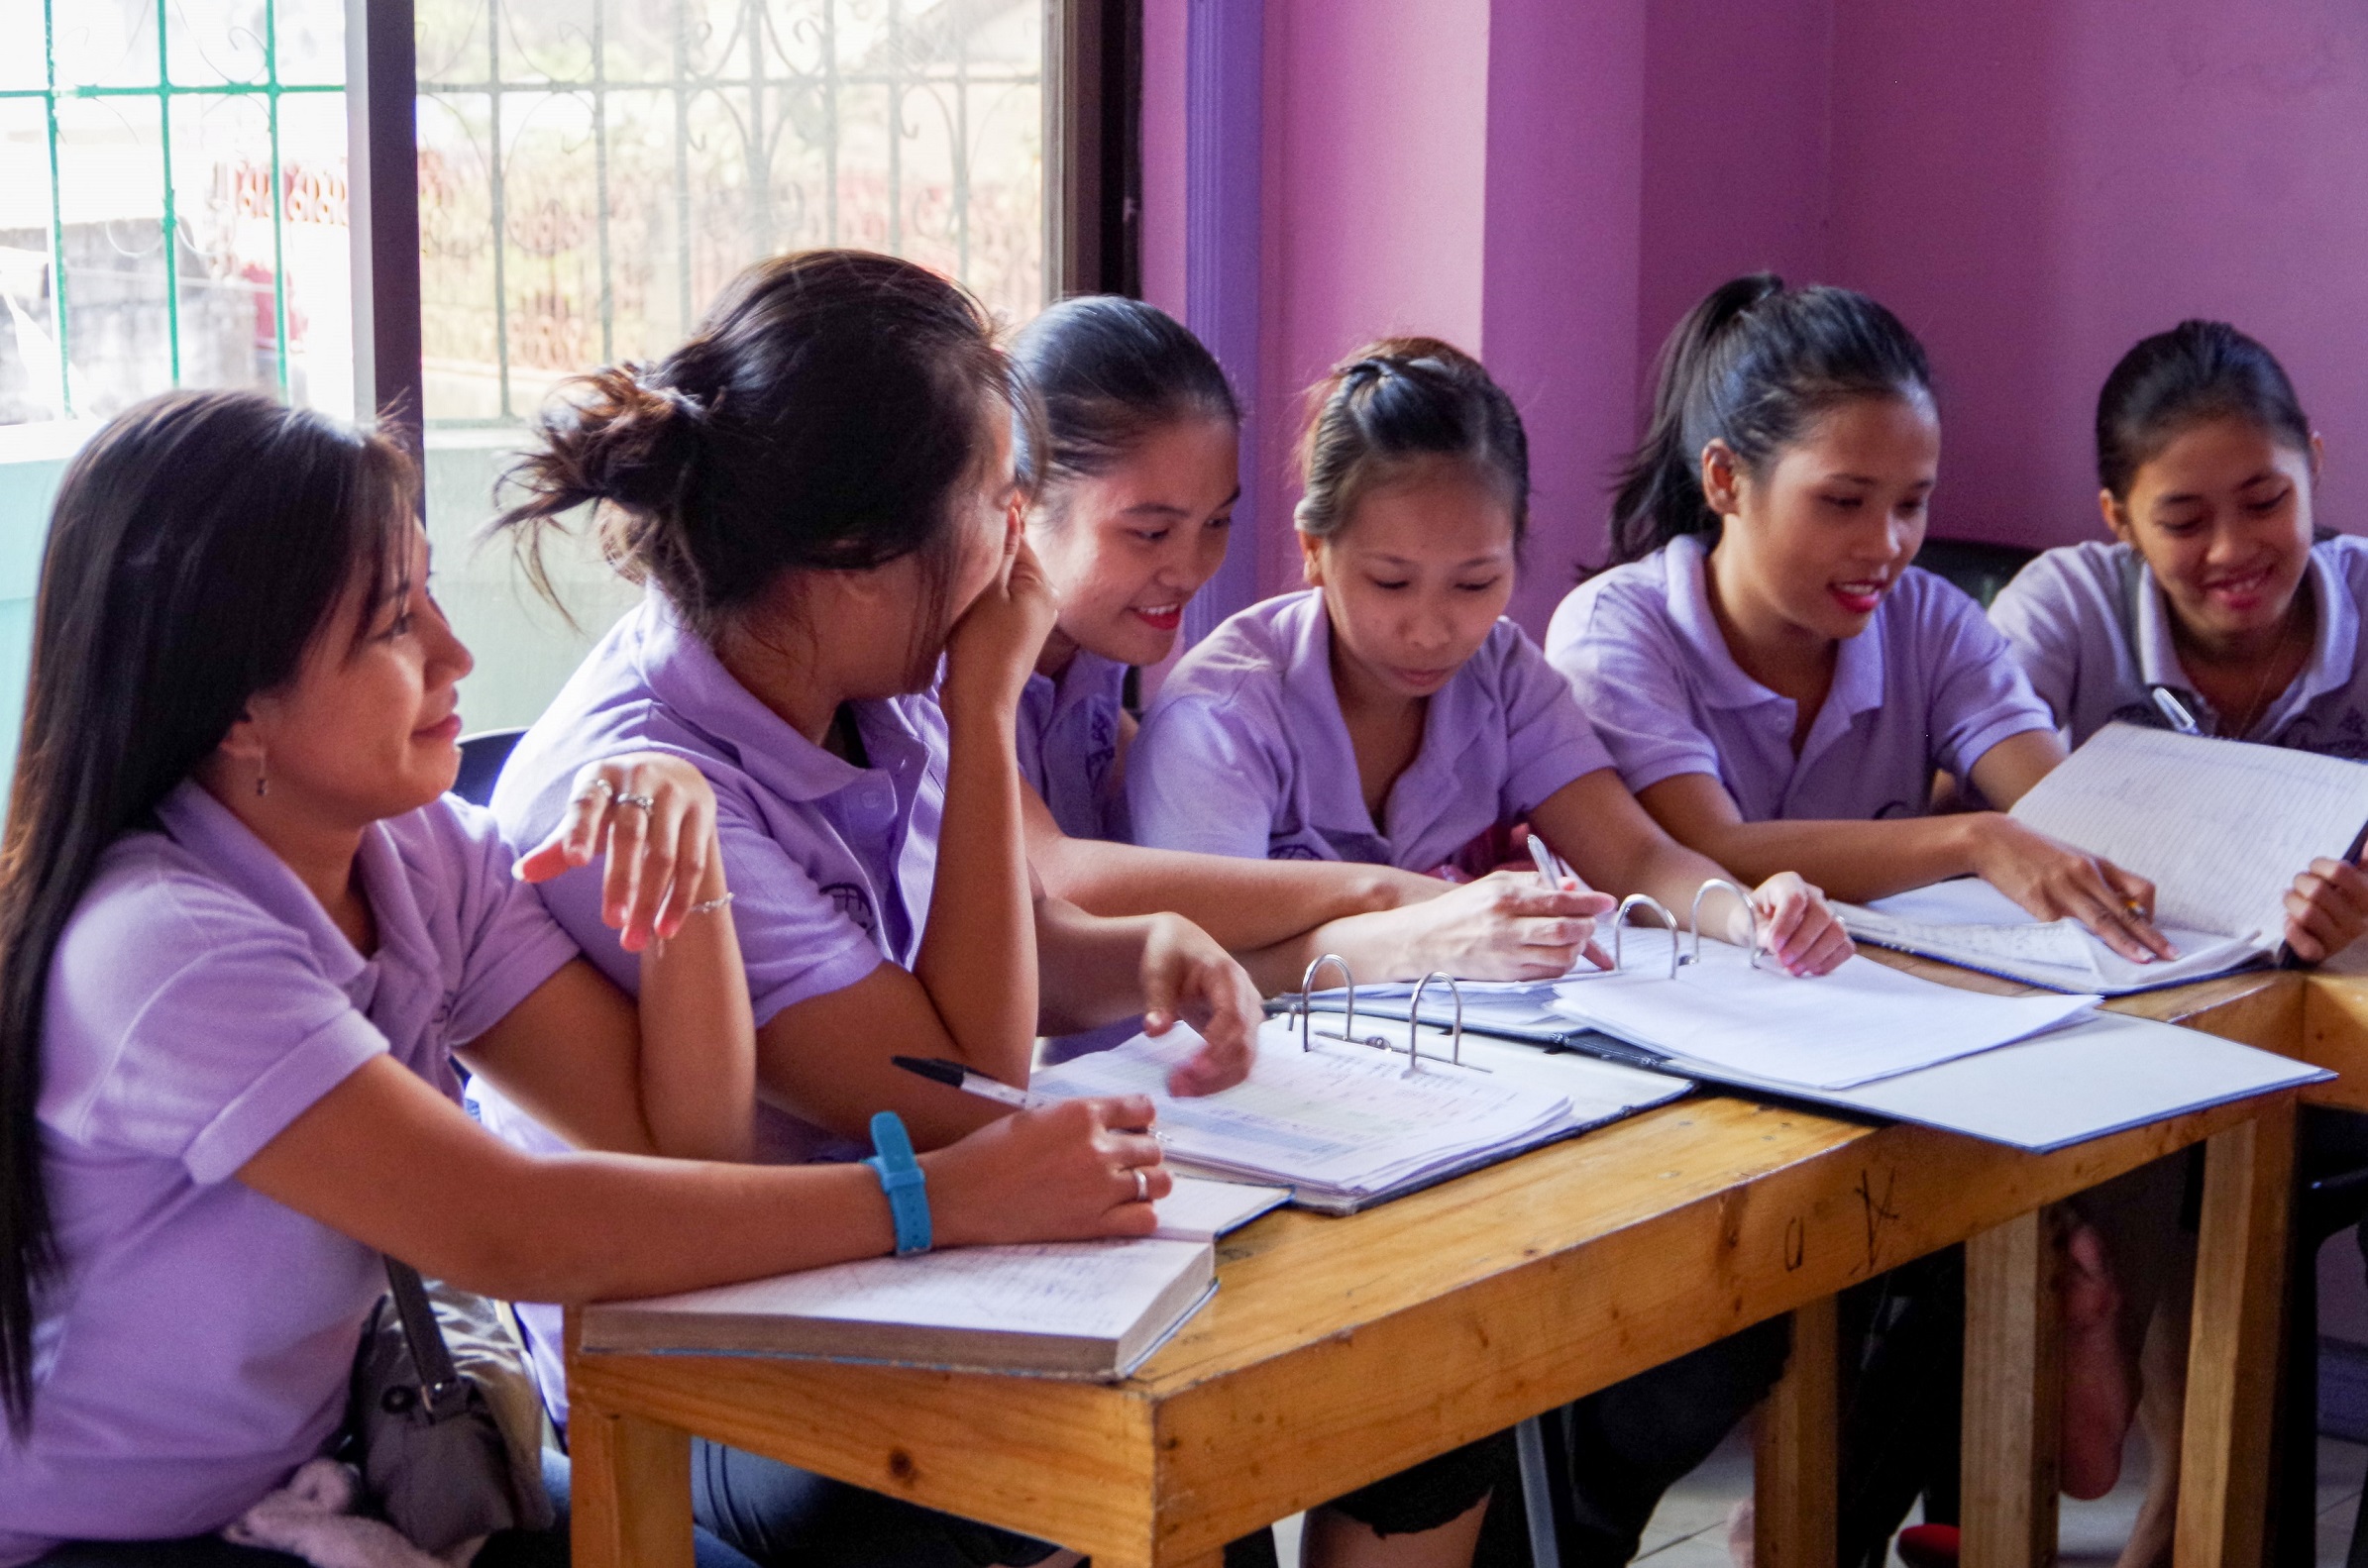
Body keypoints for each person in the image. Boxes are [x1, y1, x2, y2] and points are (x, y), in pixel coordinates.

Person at [0, 390, 1169, 1566]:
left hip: (319, 1474)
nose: (454, 652)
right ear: (238, 708)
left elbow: (675, 1153)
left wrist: (689, 870)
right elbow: (513, 1230)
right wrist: (944, 1195)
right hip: (107, 1538)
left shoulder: (420, 856)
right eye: (394, 624)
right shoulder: (163, 945)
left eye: (429, 593)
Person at [1128, 335, 1852, 1568]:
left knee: (1696, 1332)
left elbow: (1632, 854)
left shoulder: (1505, 676)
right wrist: (1415, 940)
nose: (1430, 627)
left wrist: (1753, 906)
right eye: (1387, 580)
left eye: (1474, 582)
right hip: (1244, 1153)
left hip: (1460, 1132)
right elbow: (1199, 987)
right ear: (1311, 553)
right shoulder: (1222, 709)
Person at [1989, 319, 2368, 1568]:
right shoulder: (2062, 608)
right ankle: (2122, 1442)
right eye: (2180, 518)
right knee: (2137, 1122)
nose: (2230, 553)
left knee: (2216, 1137)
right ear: (2113, 516)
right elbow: (1980, 806)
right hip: (2131, 1027)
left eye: (2265, 500)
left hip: (2330, 1047)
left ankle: (2171, 1507)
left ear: (2314, 464)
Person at [1009, 295, 1610, 996]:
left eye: (1217, 521)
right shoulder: (961, 667)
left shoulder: (1088, 652)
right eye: (1150, 531)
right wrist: (1404, 896)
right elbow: (1062, 878)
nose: (1190, 568)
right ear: (1020, 506)